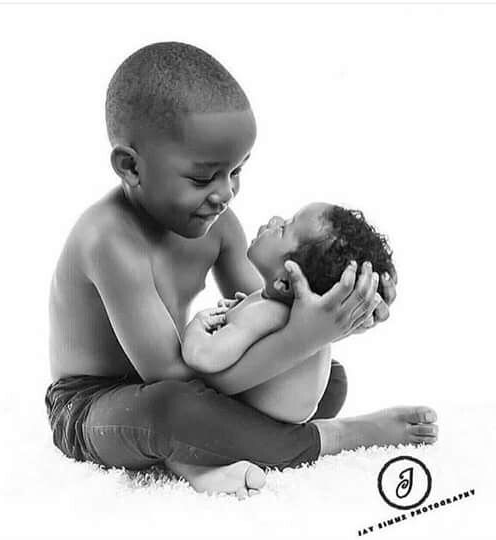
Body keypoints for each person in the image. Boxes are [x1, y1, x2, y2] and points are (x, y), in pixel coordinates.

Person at [45, 42, 438, 500]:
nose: (226, 193)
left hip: (188, 379)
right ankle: (333, 437)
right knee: (173, 410)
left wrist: (341, 308)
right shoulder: (109, 240)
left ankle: (196, 456)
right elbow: (172, 374)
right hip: (99, 403)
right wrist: (302, 339)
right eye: (202, 178)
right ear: (131, 167)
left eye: (236, 172)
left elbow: (271, 308)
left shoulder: (218, 224)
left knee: (326, 382)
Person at [182, 202, 396, 425]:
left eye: (283, 228)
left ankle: (325, 438)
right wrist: (239, 311)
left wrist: (197, 325)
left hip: (257, 431)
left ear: (284, 282)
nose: (274, 219)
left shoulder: (265, 315)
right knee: (336, 380)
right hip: (287, 416)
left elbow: (202, 357)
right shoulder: (284, 312)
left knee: (176, 401)